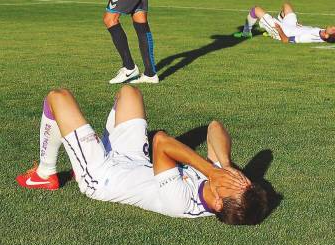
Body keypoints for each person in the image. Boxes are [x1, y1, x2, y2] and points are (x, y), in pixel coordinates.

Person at [15, 86, 269, 224]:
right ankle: (90, 148)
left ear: (217, 203)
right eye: (241, 179)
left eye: (232, 184)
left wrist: (211, 171)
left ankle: (44, 173)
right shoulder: (226, 184)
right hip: (134, 160)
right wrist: (224, 164)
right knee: (130, 93)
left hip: (103, 176)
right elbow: (215, 127)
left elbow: (161, 142)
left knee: (58, 98)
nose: (233, 177)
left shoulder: (180, 202)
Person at [233, 2, 335, 43]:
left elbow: (286, 40)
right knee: (286, 6)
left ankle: (246, 33)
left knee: (256, 10)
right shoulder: (323, 33)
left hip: (283, 31)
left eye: (333, 30)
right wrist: (299, 27)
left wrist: (279, 29)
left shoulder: (308, 37)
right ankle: (270, 29)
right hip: (292, 26)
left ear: (326, 36)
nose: (333, 26)